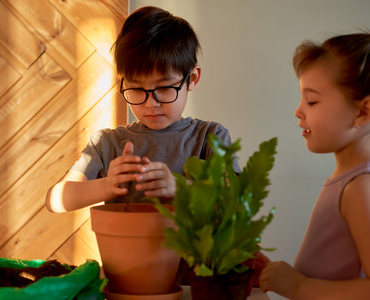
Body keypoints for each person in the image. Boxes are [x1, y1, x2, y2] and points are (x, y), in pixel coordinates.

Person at [45, 6, 241, 213]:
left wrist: (180, 188)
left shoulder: (210, 137)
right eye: (137, 89)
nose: (151, 103)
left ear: (192, 79)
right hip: (123, 245)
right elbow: (55, 201)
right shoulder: (107, 144)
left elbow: (236, 201)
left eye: (164, 88)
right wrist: (107, 186)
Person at [259, 30, 370, 299]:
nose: (298, 110)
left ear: (363, 112)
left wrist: (298, 286)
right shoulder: (351, 179)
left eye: (312, 101)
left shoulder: (363, 187)